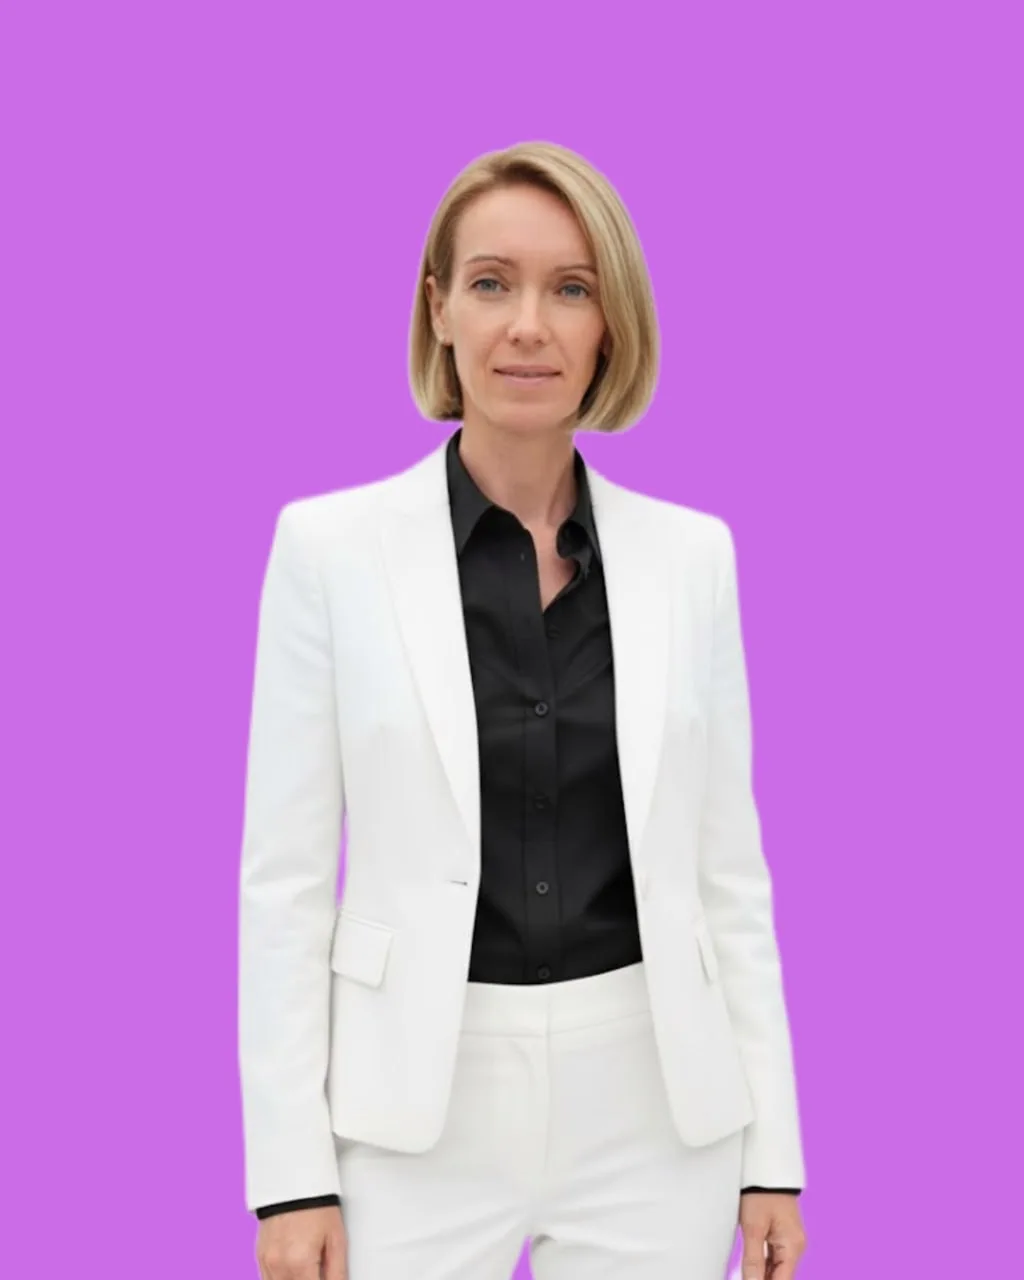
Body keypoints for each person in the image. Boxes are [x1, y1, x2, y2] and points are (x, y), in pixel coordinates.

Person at [238, 140, 808, 1280]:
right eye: (491, 283)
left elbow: (728, 877)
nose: (528, 326)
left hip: (657, 1110)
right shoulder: (328, 550)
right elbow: (285, 886)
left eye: (571, 288)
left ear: (611, 326)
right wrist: (292, 1175)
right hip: (410, 1113)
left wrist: (773, 1157)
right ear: (439, 309)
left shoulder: (692, 558)